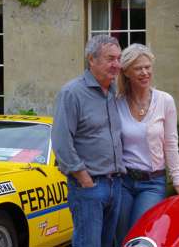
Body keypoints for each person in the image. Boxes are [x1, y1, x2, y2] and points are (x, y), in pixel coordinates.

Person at [115, 43, 179, 245]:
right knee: (119, 237)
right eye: (139, 68)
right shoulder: (117, 102)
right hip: (122, 181)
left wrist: (178, 182)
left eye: (148, 67)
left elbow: (171, 143)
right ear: (127, 72)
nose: (145, 72)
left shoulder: (165, 101)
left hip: (152, 183)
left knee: (140, 236)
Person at [51, 35, 126, 247]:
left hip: (115, 184)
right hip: (89, 186)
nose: (117, 65)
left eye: (119, 59)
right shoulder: (72, 93)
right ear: (91, 59)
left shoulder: (112, 91)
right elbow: (61, 141)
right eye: (110, 59)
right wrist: (84, 179)